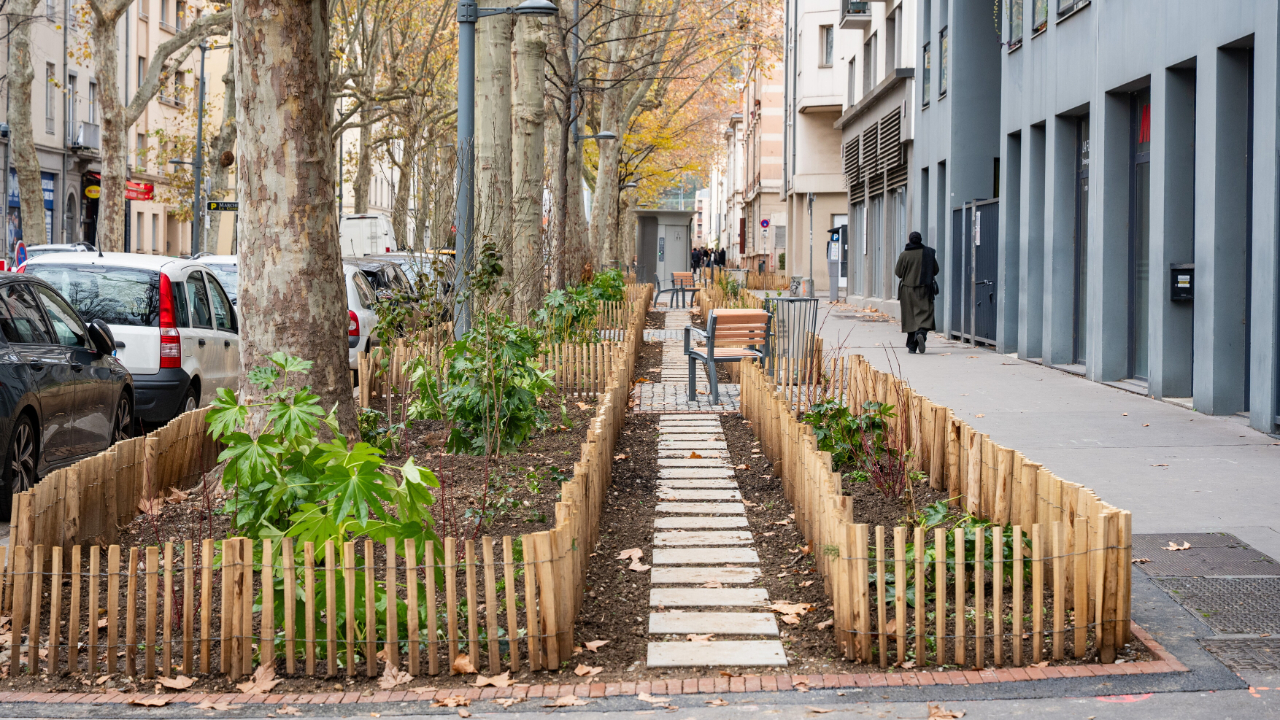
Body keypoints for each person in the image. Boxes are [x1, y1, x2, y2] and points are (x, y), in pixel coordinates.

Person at [894, 231, 940, 353]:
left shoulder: (904, 254)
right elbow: (936, 270)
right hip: (925, 289)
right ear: (920, 240)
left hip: (907, 290)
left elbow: (898, 273)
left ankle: (912, 346)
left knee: (910, 317)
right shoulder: (928, 252)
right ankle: (921, 333)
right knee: (925, 314)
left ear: (909, 240)